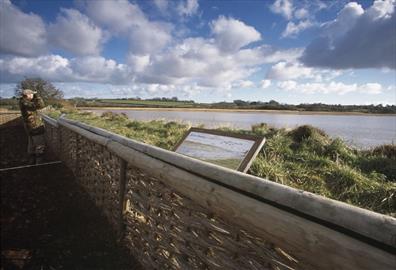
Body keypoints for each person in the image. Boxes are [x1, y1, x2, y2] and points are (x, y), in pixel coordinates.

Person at [19, 89, 46, 164]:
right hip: (34, 126)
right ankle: (39, 162)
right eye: (32, 94)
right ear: (28, 95)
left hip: (30, 126)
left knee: (31, 144)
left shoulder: (23, 101)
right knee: (39, 143)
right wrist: (38, 97)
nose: (33, 95)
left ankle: (32, 161)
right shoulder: (24, 102)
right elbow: (39, 106)